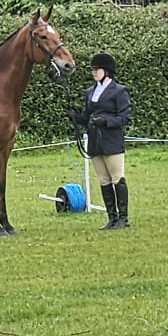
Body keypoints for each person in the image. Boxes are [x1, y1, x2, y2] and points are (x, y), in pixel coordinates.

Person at [68, 51, 133, 229]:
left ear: (107, 71)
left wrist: (106, 121)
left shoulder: (119, 91)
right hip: (95, 140)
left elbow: (125, 118)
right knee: (104, 180)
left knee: (117, 178)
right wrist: (76, 117)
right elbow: (87, 117)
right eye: (93, 69)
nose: (94, 72)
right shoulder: (90, 92)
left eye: (97, 69)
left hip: (111, 140)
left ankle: (123, 218)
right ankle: (111, 217)